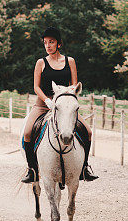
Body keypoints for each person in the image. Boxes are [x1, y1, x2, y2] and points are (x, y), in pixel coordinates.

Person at [21, 26, 98, 183]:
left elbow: (74, 84)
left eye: (51, 42)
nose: (48, 45)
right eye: (45, 43)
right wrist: (48, 101)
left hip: (64, 105)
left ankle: (84, 168)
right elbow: (36, 87)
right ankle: (32, 170)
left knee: (88, 132)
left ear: (59, 44)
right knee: (27, 133)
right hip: (43, 104)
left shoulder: (70, 61)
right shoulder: (40, 63)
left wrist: (63, 98)